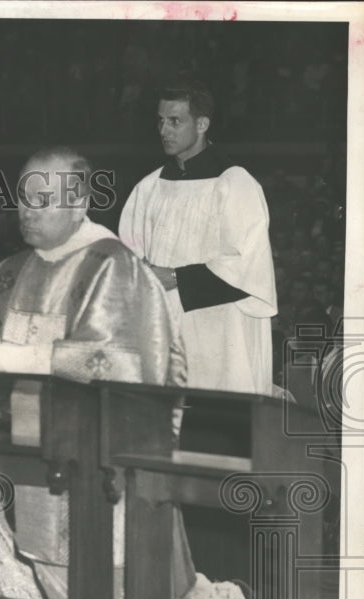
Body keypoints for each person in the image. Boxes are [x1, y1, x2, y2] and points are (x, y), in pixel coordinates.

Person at [0, 148, 245, 599]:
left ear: (78, 201)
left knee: (118, 570)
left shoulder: (110, 263)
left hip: (111, 451)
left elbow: (110, 359)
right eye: (24, 198)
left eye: (44, 199)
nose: (29, 210)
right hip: (39, 444)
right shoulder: (11, 271)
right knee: (51, 559)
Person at [119, 81, 277, 395]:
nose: (164, 129)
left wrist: (175, 276)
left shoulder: (234, 184)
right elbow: (128, 256)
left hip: (220, 333)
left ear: (202, 124)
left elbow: (246, 267)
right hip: (164, 329)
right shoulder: (148, 188)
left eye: (175, 121)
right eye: (160, 120)